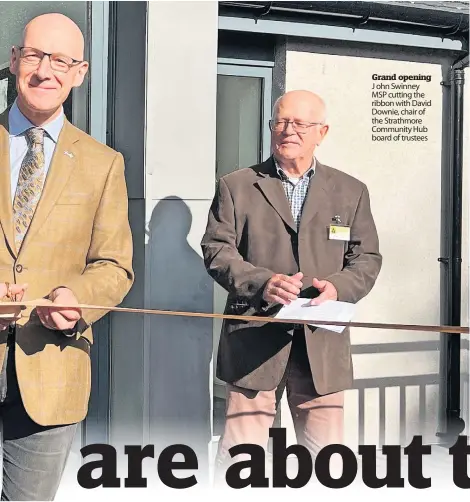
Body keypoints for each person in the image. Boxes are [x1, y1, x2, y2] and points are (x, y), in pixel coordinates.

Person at [201, 90, 382, 479]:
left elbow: (367, 258)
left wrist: (338, 287)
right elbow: (217, 251)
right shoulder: (237, 185)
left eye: (300, 123)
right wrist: (262, 282)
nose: (288, 130)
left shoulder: (351, 191)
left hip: (321, 344)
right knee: (240, 457)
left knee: (328, 462)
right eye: (280, 122)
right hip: (254, 340)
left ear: (322, 132)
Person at [0, 13, 134, 500]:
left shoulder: (104, 164)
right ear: (15, 60)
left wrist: (76, 296)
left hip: (52, 369)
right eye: (35, 55)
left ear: (80, 73)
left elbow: (114, 265)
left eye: (61, 60)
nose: (45, 71)